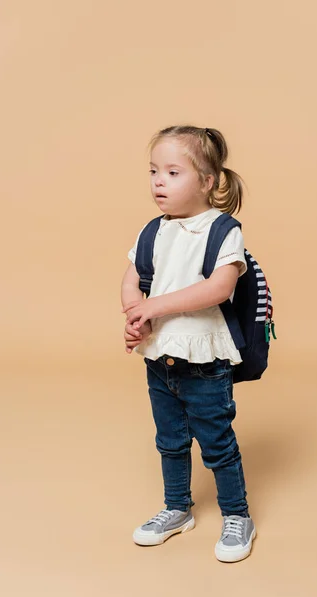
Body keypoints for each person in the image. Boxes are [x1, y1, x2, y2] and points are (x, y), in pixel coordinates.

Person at [120, 125, 256, 563]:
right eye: (154, 171)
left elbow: (218, 288)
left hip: (204, 358)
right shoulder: (151, 232)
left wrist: (155, 305)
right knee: (170, 441)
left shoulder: (222, 230)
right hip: (161, 358)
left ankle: (237, 515)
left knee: (217, 442)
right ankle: (177, 508)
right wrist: (137, 315)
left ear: (208, 181)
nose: (158, 180)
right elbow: (131, 281)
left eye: (173, 172)